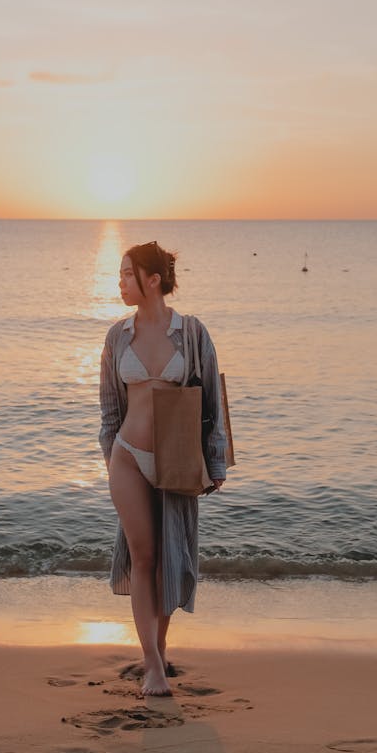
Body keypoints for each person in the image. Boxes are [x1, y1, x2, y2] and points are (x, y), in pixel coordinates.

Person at [98, 240, 228, 697]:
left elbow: (211, 398)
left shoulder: (191, 333)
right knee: (145, 556)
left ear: (153, 280)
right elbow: (110, 411)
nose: (121, 283)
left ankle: (161, 644)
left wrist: (215, 464)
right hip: (129, 456)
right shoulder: (118, 337)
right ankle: (152, 663)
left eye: (128, 274)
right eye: (120, 274)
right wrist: (110, 461)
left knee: (170, 560)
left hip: (175, 461)